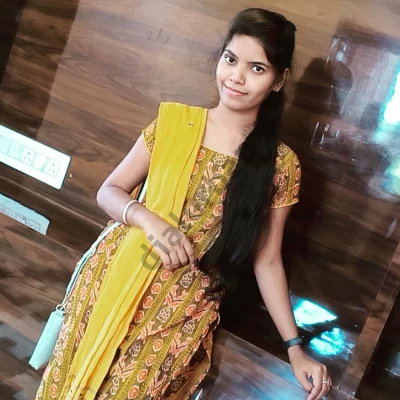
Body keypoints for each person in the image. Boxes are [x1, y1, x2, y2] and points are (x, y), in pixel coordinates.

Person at [35, 8, 332, 400]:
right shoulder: (174, 123)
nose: (236, 77)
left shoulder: (280, 165)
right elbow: (109, 190)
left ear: (279, 81)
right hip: (110, 282)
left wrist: (295, 348)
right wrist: (149, 220)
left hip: (178, 314)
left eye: (257, 68)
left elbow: (268, 260)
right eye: (230, 60)